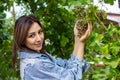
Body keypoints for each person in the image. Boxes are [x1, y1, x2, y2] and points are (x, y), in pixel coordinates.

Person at [12, 15, 92, 80]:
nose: (39, 39)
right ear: (22, 40)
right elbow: (73, 77)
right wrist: (81, 43)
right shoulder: (36, 64)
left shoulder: (39, 56)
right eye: (32, 36)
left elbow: (67, 66)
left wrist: (77, 38)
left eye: (40, 32)